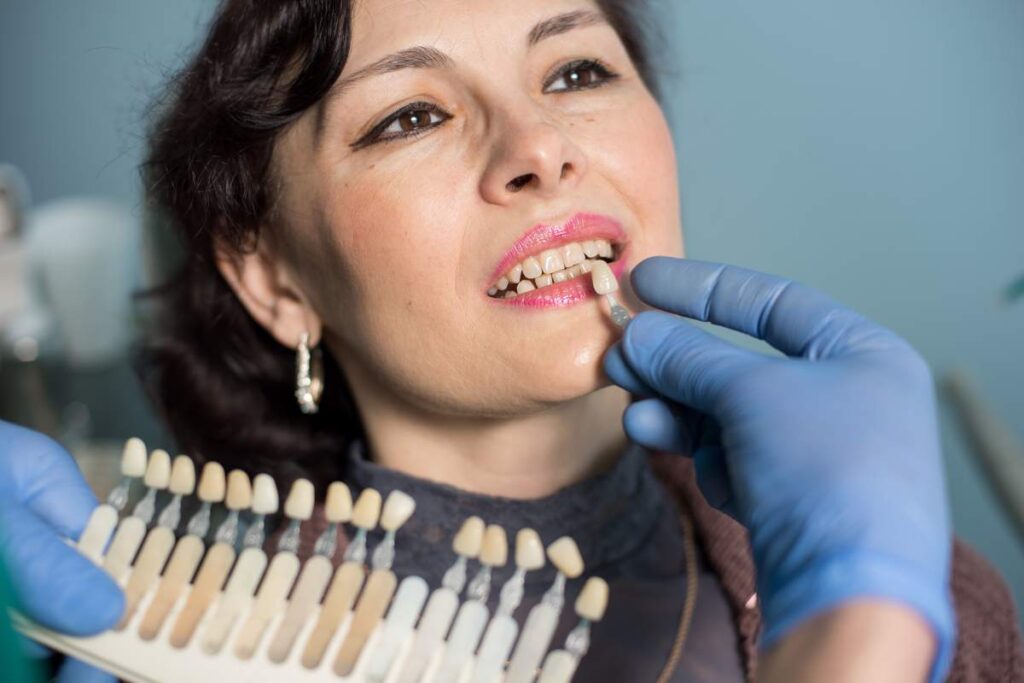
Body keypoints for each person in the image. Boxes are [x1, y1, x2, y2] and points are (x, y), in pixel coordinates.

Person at [1, 1, 1020, 681]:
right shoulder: (179, 651)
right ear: (274, 279)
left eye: (576, 70)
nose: (538, 147)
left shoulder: (927, 586)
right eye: (409, 116)